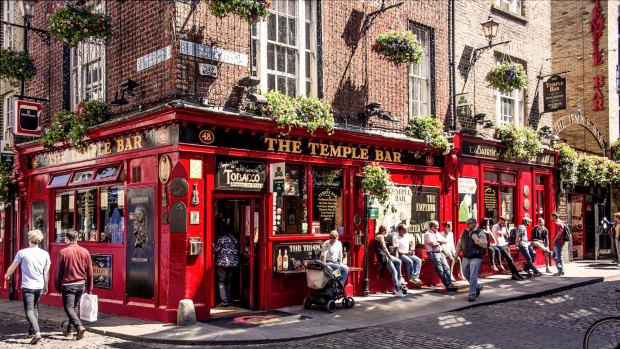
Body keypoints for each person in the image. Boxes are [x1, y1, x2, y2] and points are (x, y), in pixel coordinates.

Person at [4, 230, 50, 344]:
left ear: (29, 239)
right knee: (35, 308)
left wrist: (7, 274)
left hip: (28, 285)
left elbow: (13, 266)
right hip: (39, 285)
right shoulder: (45, 254)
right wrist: (46, 285)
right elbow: (46, 272)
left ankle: (37, 332)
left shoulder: (22, 253)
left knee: (29, 309)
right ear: (39, 240)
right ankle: (31, 330)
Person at [55, 230, 93, 340]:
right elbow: (90, 271)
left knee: (68, 307)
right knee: (74, 307)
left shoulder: (63, 252)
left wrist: (57, 286)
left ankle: (79, 326)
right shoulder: (85, 251)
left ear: (67, 238)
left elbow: (59, 272)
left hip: (68, 284)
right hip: (81, 284)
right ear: (77, 239)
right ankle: (69, 331)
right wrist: (89, 288)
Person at [456, 218, 488, 302]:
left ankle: (472, 294)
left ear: (474, 223)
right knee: (466, 274)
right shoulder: (464, 232)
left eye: (470, 223)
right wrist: (456, 255)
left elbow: (485, 245)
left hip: (476, 257)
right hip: (466, 257)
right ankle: (477, 286)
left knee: (473, 276)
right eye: (467, 224)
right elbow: (459, 244)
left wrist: (476, 239)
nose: (468, 225)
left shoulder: (480, 232)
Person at [424, 221, 457, 289]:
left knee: (447, 268)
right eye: (436, 227)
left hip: (440, 252)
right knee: (440, 269)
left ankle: (449, 282)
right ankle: (447, 284)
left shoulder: (438, 233)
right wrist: (439, 242)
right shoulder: (428, 234)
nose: (438, 228)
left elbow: (445, 241)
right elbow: (432, 244)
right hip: (433, 253)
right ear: (432, 226)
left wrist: (438, 242)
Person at [374, 225, 406, 297]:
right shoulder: (380, 236)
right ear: (384, 230)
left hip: (385, 255)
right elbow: (384, 248)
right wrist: (389, 256)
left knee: (399, 261)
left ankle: (400, 279)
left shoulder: (380, 236)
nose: (387, 231)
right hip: (384, 256)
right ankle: (397, 290)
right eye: (387, 229)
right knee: (394, 272)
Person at [214, 231, 239, 307]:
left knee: (221, 281)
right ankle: (229, 299)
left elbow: (216, 249)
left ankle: (224, 300)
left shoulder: (221, 238)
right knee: (228, 281)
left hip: (223, 262)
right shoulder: (234, 239)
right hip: (233, 263)